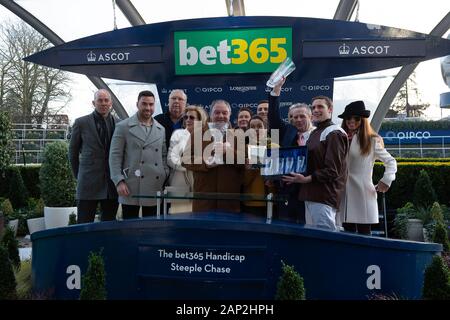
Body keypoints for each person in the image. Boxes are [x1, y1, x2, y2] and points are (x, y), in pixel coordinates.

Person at [282, 94, 349, 231]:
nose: (316, 110)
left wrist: (307, 179)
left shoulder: (334, 132)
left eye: (320, 107)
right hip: (310, 195)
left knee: (325, 240)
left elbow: (333, 170)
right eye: (313, 107)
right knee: (315, 240)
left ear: (330, 109)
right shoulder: (316, 133)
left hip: (324, 196)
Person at [336, 101, 397, 235]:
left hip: (362, 193)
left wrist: (386, 180)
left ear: (363, 120)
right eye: (348, 118)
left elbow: (391, 162)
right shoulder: (339, 138)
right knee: (345, 235)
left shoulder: (372, 140)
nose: (351, 121)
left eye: (356, 118)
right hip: (342, 194)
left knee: (364, 236)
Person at [109, 90, 169, 218]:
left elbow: (163, 155)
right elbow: (114, 156)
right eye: (144, 104)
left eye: (151, 104)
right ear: (137, 104)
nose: (148, 108)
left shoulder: (160, 129)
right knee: (129, 228)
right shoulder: (123, 126)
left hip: (154, 185)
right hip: (130, 185)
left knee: (151, 227)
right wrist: (118, 181)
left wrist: (164, 173)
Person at [182, 100, 243, 212]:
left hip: (229, 202)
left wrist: (228, 151)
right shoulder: (197, 134)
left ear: (229, 115)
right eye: (217, 112)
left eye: (224, 113)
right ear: (210, 114)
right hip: (204, 201)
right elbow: (185, 159)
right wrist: (205, 163)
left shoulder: (238, 135)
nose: (221, 116)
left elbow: (244, 162)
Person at [69, 89, 119, 223]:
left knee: (109, 226)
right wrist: (79, 176)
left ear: (111, 103)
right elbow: (72, 153)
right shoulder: (81, 123)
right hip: (87, 184)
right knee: (84, 225)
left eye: (106, 100)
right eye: (100, 100)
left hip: (111, 185)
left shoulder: (119, 124)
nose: (103, 103)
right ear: (94, 102)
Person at [268, 78, 313, 223]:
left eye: (301, 116)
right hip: (287, 191)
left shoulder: (319, 135)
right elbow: (274, 118)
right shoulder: (287, 132)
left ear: (310, 117)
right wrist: (276, 91)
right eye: (293, 117)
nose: (297, 120)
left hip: (310, 190)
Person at [167, 105, 208, 213]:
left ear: (200, 120)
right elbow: (171, 159)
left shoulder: (207, 136)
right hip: (180, 183)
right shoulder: (177, 134)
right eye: (186, 117)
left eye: (192, 117)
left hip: (201, 183)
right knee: (179, 219)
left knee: (200, 220)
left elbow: (208, 160)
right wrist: (192, 165)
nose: (188, 120)